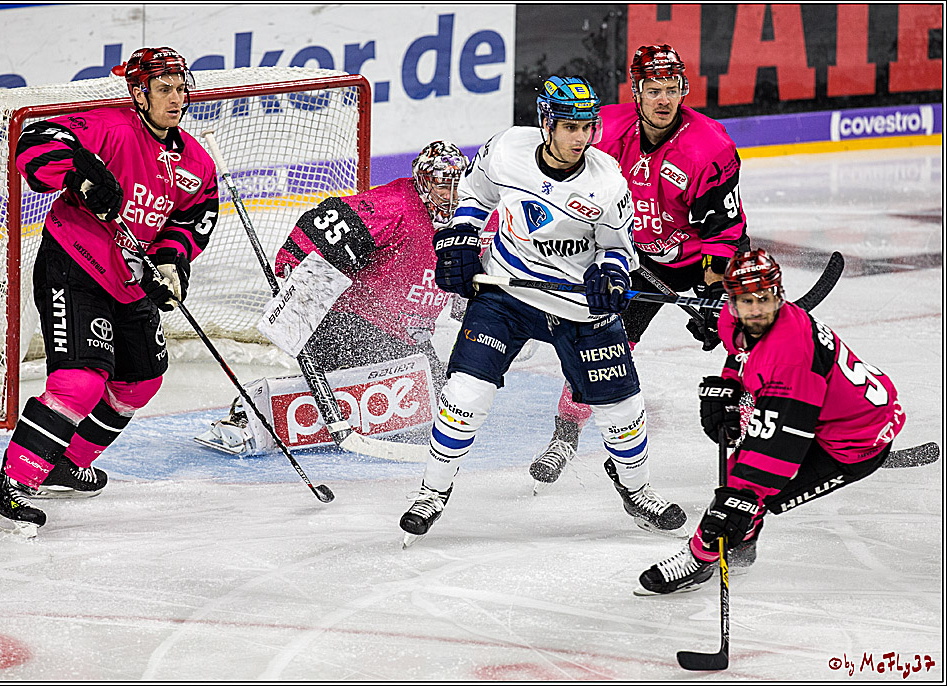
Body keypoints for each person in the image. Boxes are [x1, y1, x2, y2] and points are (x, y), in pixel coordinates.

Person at [398, 75, 689, 546]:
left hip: (577, 306)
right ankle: (433, 491)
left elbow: (619, 248)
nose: (580, 137)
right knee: (465, 397)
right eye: (570, 126)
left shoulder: (607, 181)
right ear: (546, 123)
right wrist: (460, 237)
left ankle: (637, 489)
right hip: (506, 294)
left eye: (588, 126)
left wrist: (611, 273)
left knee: (623, 413)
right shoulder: (507, 149)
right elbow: (475, 194)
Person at [0, 47, 219, 538]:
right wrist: (80, 173)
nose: (176, 99)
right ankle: (10, 489)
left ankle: (64, 462)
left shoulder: (195, 160)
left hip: (129, 278)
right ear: (139, 93)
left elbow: (194, 216)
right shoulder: (109, 126)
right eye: (164, 90)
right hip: (74, 264)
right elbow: (34, 144)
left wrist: (171, 262)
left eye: (180, 89)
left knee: (140, 381)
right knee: (80, 383)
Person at [530, 44, 751, 489]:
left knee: (750, 336)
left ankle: (757, 431)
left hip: (704, 256)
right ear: (637, 91)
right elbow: (557, 178)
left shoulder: (708, 147)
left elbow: (724, 230)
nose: (663, 100)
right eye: (654, 90)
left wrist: (712, 293)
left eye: (672, 89)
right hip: (634, 256)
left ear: (683, 90)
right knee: (601, 345)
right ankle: (565, 436)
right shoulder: (605, 130)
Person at [636, 249, 906, 594]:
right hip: (835, 408)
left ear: (778, 295)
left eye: (764, 298)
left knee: (744, 494)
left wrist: (734, 504)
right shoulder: (735, 319)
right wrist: (730, 384)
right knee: (743, 488)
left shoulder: (789, 360)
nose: (756, 309)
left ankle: (699, 559)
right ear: (731, 302)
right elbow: (740, 352)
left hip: (854, 442)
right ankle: (743, 545)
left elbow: (775, 453)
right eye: (746, 301)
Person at [203, 142, 468, 449]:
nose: (452, 197)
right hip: (351, 323)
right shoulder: (395, 206)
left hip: (408, 337)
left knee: (441, 414)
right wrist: (293, 267)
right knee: (405, 409)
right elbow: (323, 224)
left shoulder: (471, 218)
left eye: (457, 187)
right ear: (424, 182)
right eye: (442, 187)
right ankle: (250, 413)